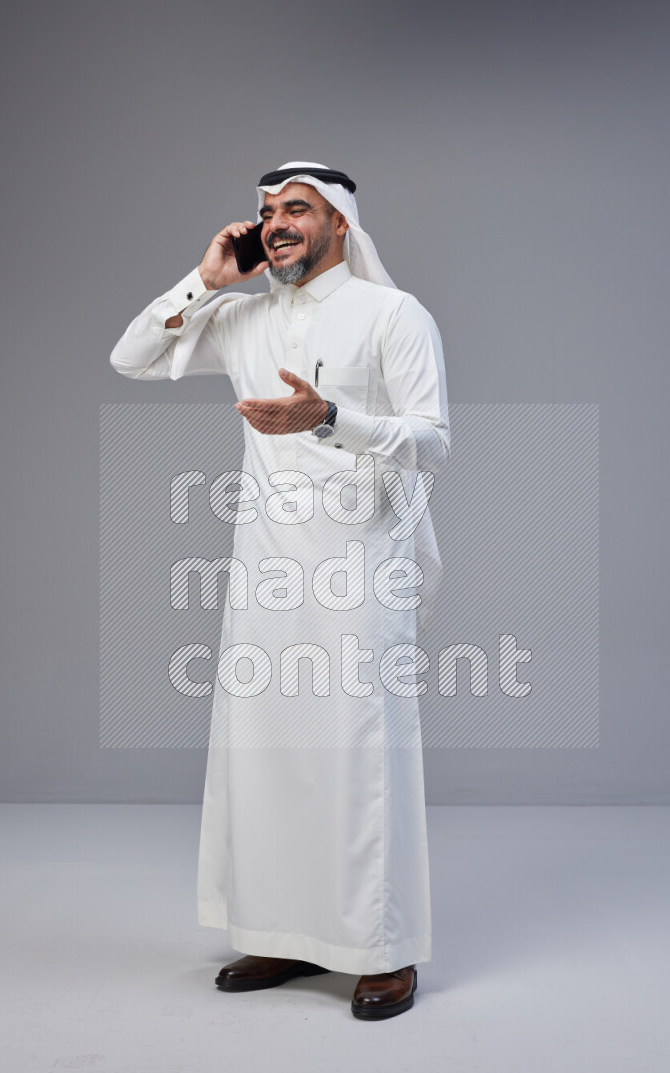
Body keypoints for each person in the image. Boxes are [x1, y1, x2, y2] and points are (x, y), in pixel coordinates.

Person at [110, 161, 450, 1019]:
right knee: (264, 750)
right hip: (266, 566)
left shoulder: (393, 314)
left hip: (363, 560)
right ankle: (281, 934)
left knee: (362, 751)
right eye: (266, 211)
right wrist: (206, 279)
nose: (277, 222)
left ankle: (385, 950)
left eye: (296, 208)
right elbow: (131, 357)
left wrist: (329, 418)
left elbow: (434, 440)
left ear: (340, 222)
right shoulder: (242, 315)